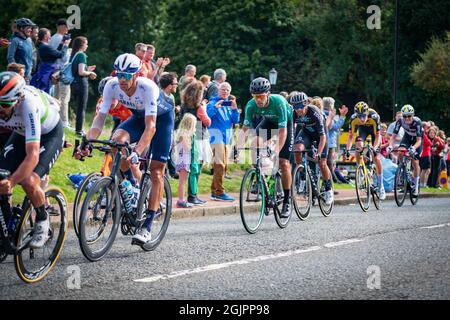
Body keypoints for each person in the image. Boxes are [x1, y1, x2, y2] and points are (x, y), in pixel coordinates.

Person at [76, 53, 159, 245]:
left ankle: (148, 219)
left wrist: (138, 151)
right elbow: (99, 119)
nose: (122, 79)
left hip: (158, 121)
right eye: (119, 74)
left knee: (156, 168)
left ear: (137, 74)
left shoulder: (148, 87)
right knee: (116, 141)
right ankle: (128, 185)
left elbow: (151, 126)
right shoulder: (111, 85)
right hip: (137, 119)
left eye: (127, 75)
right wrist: (87, 141)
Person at [0, 71, 64, 248]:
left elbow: (33, 155)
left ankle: (42, 221)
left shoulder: (28, 105)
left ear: (18, 99)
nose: (0, 109)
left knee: (29, 180)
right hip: (20, 133)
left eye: (5, 104)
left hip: (49, 135)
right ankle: (7, 222)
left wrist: (12, 181)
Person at [238, 77, 294, 217]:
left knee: (283, 162)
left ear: (268, 94)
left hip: (285, 124)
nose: (258, 99)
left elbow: (282, 132)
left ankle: (287, 200)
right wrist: (237, 148)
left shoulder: (279, 101)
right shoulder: (251, 105)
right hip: (268, 122)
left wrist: (276, 150)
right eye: (255, 96)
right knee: (254, 143)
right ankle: (258, 175)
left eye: (261, 96)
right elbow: (245, 129)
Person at [291, 92, 334, 205]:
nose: (298, 110)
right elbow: (290, 132)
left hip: (321, 136)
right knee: (297, 149)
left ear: (306, 104)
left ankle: (328, 188)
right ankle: (302, 176)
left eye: (301, 106)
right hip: (307, 134)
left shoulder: (314, 112)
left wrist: (319, 153)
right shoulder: (294, 114)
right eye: (296, 107)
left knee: (321, 163)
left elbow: (322, 136)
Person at [179, 80, 211, 206]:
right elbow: (208, 122)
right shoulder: (199, 108)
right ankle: (193, 195)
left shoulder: (184, 105)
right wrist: (205, 107)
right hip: (199, 136)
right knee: (196, 167)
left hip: (186, 135)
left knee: (191, 166)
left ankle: (192, 195)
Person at [345, 101, 386, 200]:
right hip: (362, 130)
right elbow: (350, 137)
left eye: (364, 116)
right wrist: (347, 149)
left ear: (367, 113)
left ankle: (381, 187)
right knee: (358, 146)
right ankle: (362, 171)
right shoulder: (353, 119)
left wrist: (375, 148)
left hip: (374, 131)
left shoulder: (374, 116)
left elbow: (378, 136)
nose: (362, 118)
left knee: (376, 158)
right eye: (359, 116)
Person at [207, 82, 240, 201]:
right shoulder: (212, 102)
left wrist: (235, 109)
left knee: (223, 166)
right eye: (223, 89)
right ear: (218, 90)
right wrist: (215, 108)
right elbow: (207, 116)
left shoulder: (229, 104)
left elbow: (235, 120)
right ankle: (219, 192)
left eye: (227, 90)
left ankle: (214, 191)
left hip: (227, 138)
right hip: (216, 137)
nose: (225, 92)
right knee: (219, 164)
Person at [387, 104, 423, 196]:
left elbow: (419, 140)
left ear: (413, 114)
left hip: (416, 140)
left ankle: (416, 185)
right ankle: (402, 167)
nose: (407, 118)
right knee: (400, 151)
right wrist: (390, 146)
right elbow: (393, 136)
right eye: (405, 116)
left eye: (409, 116)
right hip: (407, 137)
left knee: (415, 162)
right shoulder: (400, 121)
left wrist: (413, 148)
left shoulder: (417, 122)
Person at [70, 36, 97, 135]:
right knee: (82, 108)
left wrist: (88, 69)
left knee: (79, 107)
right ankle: (79, 130)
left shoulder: (75, 54)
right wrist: (90, 74)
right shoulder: (82, 55)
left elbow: (78, 70)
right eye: (86, 43)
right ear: (82, 45)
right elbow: (81, 72)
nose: (87, 46)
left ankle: (78, 129)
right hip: (81, 83)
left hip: (75, 83)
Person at [31, 28, 70, 93]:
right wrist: (66, 45)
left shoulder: (43, 46)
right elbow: (60, 55)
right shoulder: (45, 47)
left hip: (46, 70)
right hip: (48, 71)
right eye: (49, 35)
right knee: (47, 92)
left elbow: (55, 53)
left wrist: (61, 43)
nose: (51, 37)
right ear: (45, 36)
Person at [50, 18, 72, 128]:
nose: (68, 29)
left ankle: (55, 120)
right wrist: (68, 50)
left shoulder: (52, 38)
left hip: (53, 70)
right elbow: (63, 58)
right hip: (62, 70)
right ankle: (64, 122)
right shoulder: (62, 39)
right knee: (64, 97)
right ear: (62, 27)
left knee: (55, 97)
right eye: (67, 27)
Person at [174, 113, 197, 208]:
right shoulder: (185, 134)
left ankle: (181, 199)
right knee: (182, 181)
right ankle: (181, 200)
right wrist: (191, 142)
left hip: (181, 159)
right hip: (184, 160)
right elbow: (187, 147)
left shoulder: (180, 132)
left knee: (182, 180)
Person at [323, 97, 348, 184]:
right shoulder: (329, 114)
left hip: (325, 142)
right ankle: (333, 179)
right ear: (331, 105)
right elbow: (336, 126)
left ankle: (332, 179)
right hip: (330, 143)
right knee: (330, 163)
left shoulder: (322, 113)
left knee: (327, 163)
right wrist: (342, 116)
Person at [7, 18, 36, 82]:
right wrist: (18, 72)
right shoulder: (15, 41)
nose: (30, 30)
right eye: (28, 28)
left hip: (28, 76)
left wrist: (30, 70)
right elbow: (10, 57)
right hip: (18, 76)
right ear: (21, 29)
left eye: (31, 28)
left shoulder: (29, 40)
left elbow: (31, 57)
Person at [419, 123, 432, 187]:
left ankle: (422, 184)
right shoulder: (423, 134)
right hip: (426, 154)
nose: (428, 129)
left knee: (424, 170)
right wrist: (429, 140)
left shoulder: (422, 134)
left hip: (424, 154)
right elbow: (429, 143)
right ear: (424, 127)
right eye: (427, 127)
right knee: (426, 170)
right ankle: (423, 184)